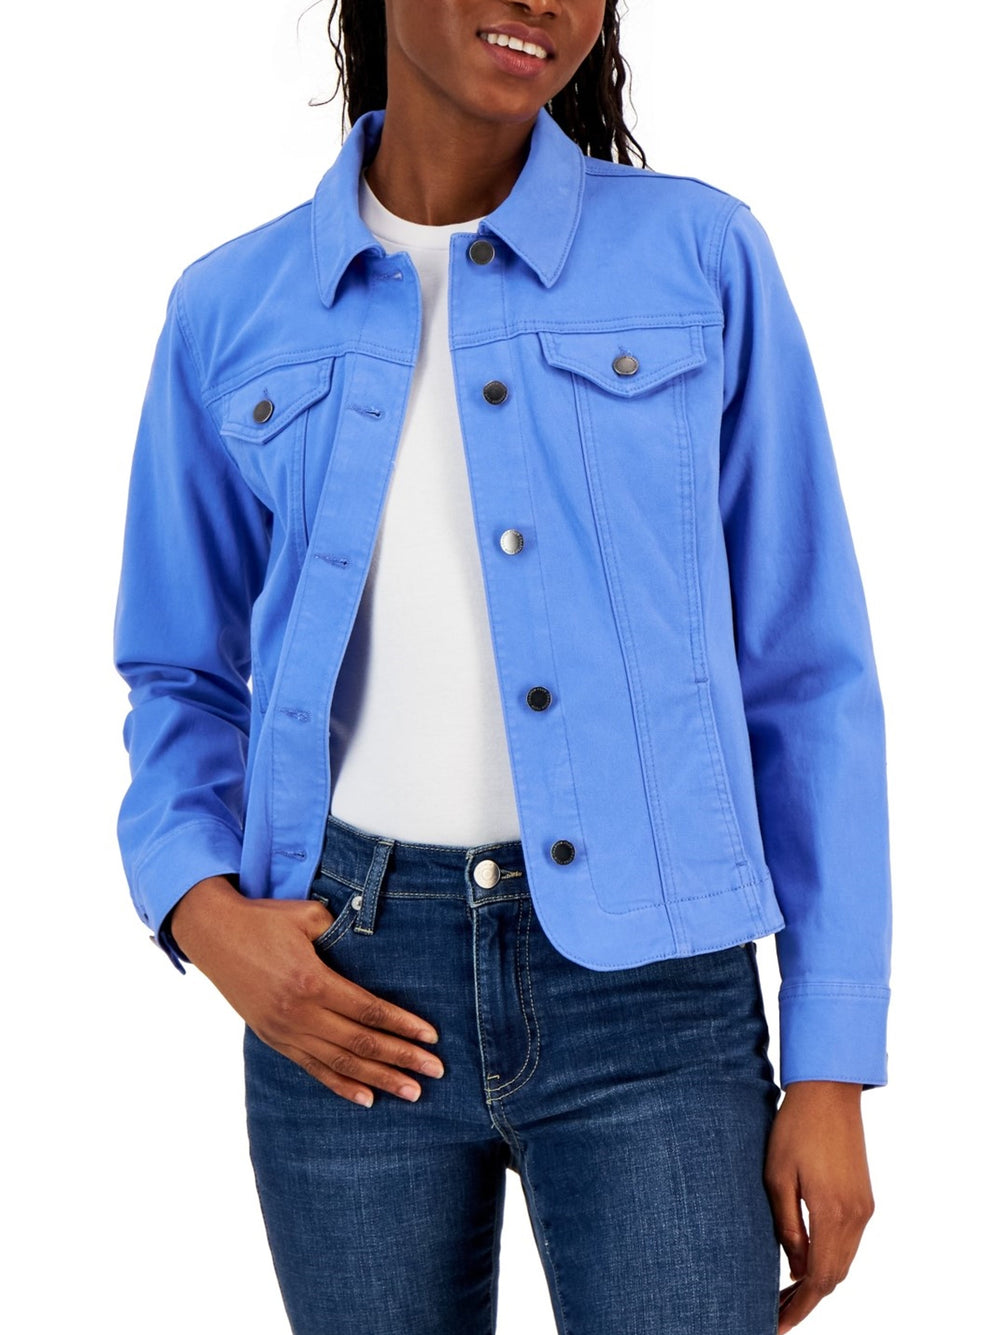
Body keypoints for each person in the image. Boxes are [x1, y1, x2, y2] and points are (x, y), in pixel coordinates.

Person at [113, 3, 892, 1332]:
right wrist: (199, 910)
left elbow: (807, 674)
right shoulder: (229, 308)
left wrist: (831, 1061)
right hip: (341, 991)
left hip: (655, 999)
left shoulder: (700, 256)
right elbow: (177, 673)